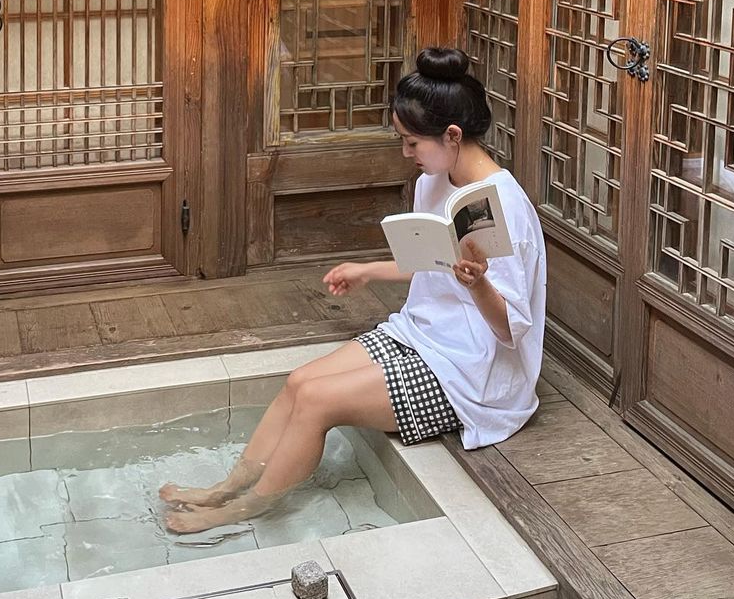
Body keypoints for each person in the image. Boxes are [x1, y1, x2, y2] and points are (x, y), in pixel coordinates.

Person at [161, 46, 546, 534]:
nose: (405, 153)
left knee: (319, 401)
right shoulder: (435, 179)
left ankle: (246, 509)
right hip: (424, 334)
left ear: (452, 135)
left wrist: (479, 283)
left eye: (412, 142)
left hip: (472, 371)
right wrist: (369, 270)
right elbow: (431, 261)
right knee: (299, 382)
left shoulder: (503, 208)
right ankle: (227, 487)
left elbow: (511, 329)